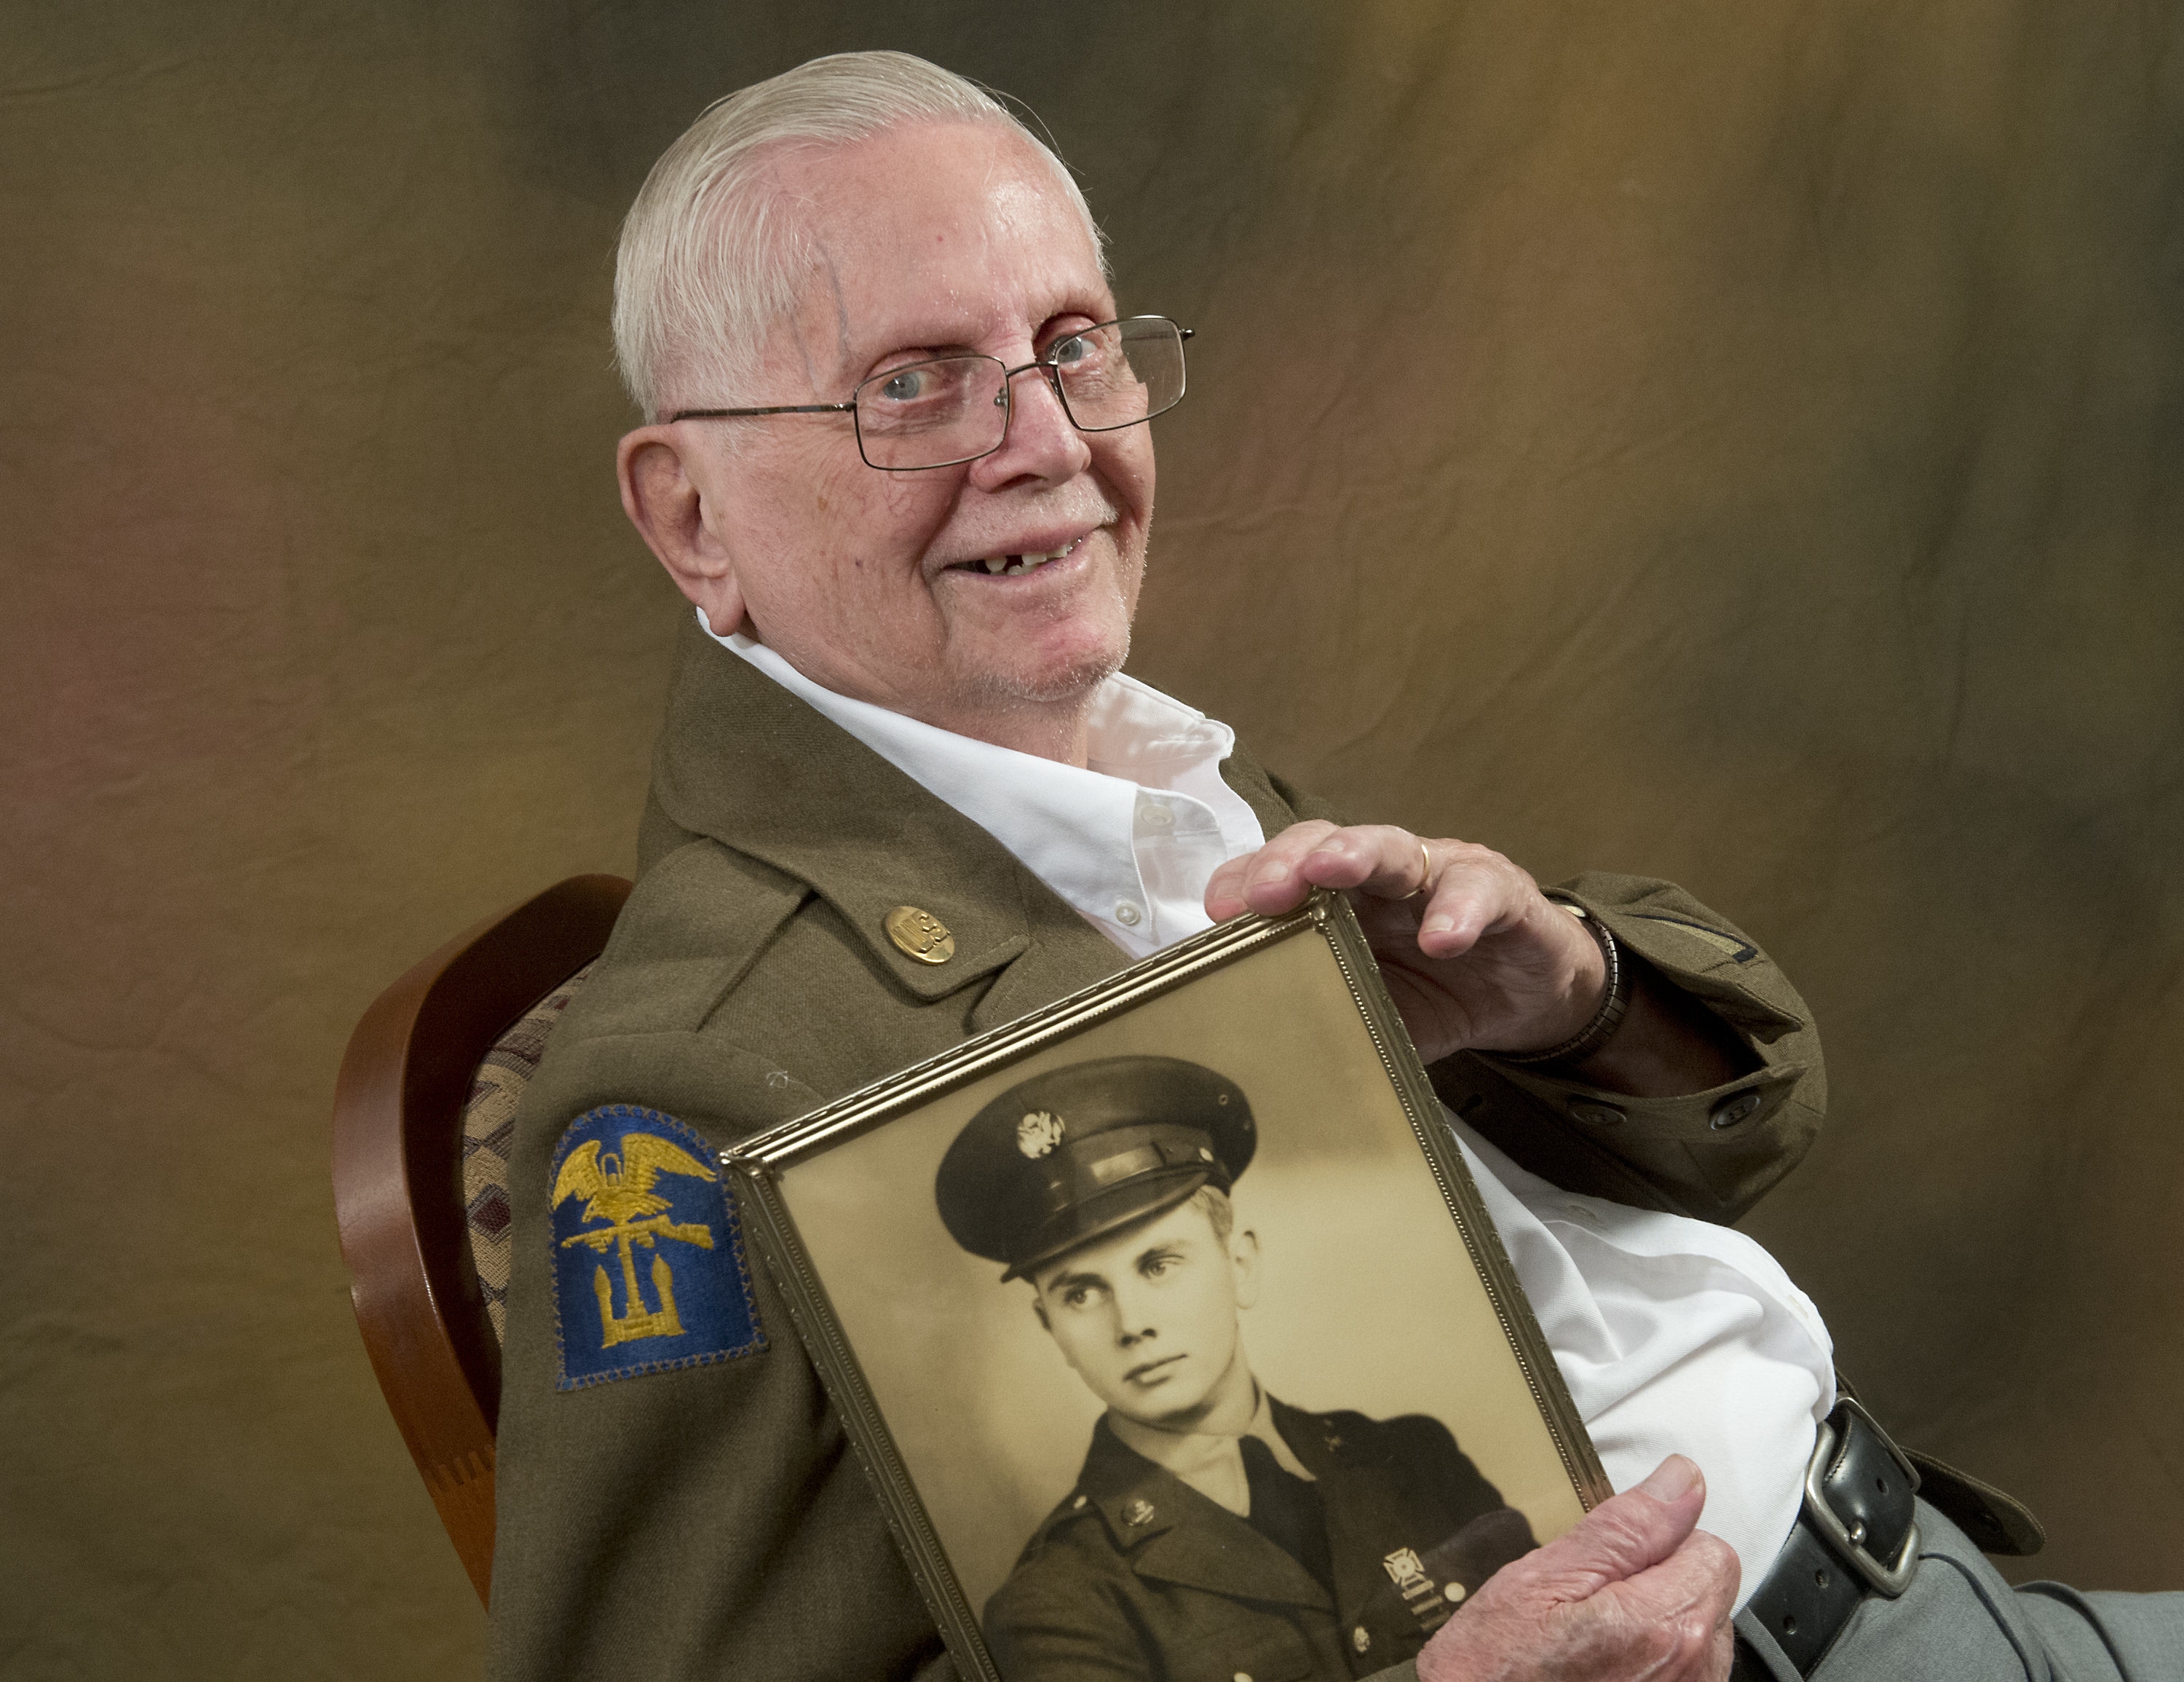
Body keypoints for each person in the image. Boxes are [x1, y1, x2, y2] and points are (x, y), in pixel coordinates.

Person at [486, 48, 2183, 1682]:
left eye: (1072, 345)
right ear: (690, 517)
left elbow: (1743, 1132)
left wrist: (1562, 1000)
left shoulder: (1124, 779)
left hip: (1921, 1575)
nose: (1051, 442)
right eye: (910, 386)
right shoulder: (693, 1089)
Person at [934, 1055, 1538, 1682]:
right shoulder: (1054, 1603)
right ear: (1050, 1327)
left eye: (1158, 1265)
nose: (1131, 1323)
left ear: (1240, 1264)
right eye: (1081, 1293)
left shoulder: (1413, 1458)